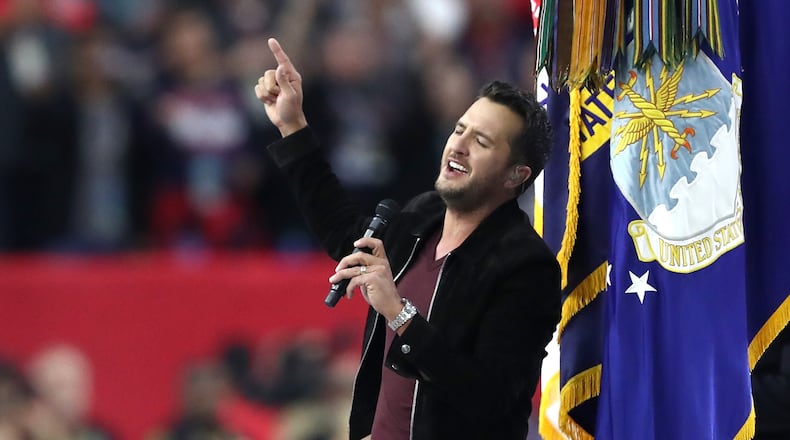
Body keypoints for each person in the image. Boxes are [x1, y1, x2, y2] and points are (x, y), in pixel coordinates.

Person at [255, 38, 560, 439]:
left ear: (515, 175)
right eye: (459, 129)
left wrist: (399, 313)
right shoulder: (422, 215)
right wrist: (292, 125)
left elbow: (489, 398)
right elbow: (345, 231)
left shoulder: (525, 266)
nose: (459, 146)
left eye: (481, 142)